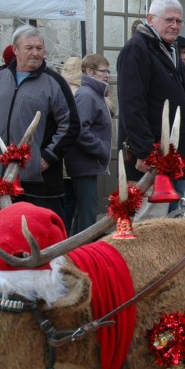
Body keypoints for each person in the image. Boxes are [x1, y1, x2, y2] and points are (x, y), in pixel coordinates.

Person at [0, 25, 79, 218]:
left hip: (40, 184)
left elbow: (71, 125)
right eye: (29, 48)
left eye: (39, 48)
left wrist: (47, 157)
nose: (35, 53)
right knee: (4, 238)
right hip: (0, 179)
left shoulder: (55, 82)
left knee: (41, 239)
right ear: (15, 50)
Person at [116, 0, 185, 205]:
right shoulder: (137, 49)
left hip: (173, 156)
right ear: (150, 19)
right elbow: (132, 105)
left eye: (179, 21)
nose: (175, 26)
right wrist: (145, 152)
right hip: (151, 160)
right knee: (152, 225)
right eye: (169, 20)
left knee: (173, 221)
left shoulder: (169, 49)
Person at [62, 54, 112, 235]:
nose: (107, 75)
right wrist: (101, 148)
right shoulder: (87, 94)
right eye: (103, 71)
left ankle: (77, 252)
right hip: (84, 163)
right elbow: (79, 129)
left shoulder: (93, 93)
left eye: (108, 71)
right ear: (89, 71)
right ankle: (82, 255)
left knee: (84, 211)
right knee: (87, 213)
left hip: (87, 163)